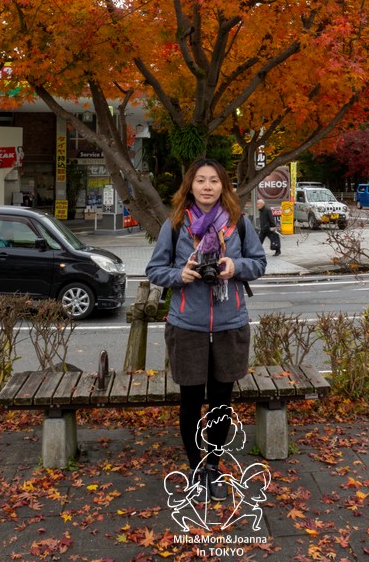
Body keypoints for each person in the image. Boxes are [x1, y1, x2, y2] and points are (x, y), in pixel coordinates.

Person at [146, 158, 266, 503]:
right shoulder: (175, 224)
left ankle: (213, 466)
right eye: (201, 180)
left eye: (214, 180)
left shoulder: (239, 223)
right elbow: (154, 269)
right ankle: (195, 466)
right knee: (190, 402)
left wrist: (235, 266)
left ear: (223, 186)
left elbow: (259, 263)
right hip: (187, 326)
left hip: (230, 325)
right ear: (191, 185)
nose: (208, 186)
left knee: (221, 403)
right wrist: (179, 275)